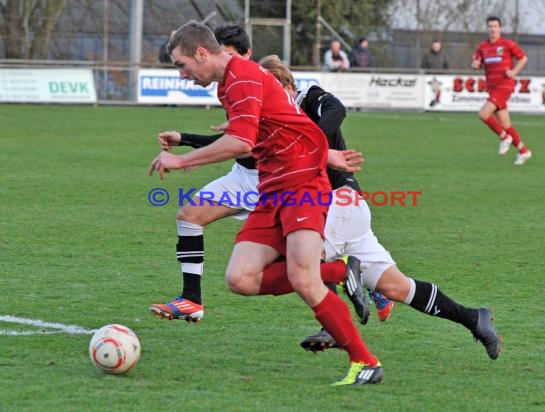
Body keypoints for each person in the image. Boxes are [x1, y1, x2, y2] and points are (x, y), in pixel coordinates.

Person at [148, 20, 383, 386]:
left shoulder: (240, 78)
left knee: (303, 280)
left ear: (201, 53)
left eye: (180, 64)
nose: (181, 75)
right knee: (240, 279)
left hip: (302, 185)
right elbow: (281, 121)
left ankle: (365, 362)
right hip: (274, 188)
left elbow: (242, 142)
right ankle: (338, 271)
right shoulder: (230, 83)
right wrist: (325, 152)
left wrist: (180, 160)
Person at [258, 55, 502, 361]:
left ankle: (340, 295)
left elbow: (338, 110)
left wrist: (313, 143)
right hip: (346, 213)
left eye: (270, 87)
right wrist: (188, 140)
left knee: (301, 259)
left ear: (287, 84)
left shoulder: (308, 99)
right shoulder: (274, 119)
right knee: (398, 288)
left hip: (340, 201)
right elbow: (240, 146)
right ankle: (473, 318)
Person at [472, 16, 532, 165]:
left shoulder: (507, 44)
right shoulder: (482, 47)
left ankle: (504, 137)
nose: (492, 29)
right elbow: (477, 62)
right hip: (492, 88)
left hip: (504, 85)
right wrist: (475, 63)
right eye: (490, 26)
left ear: (500, 28)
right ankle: (524, 151)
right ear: (487, 28)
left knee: (483, 114)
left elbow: (523, 58)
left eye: (495, 26)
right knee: (505, 123)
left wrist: (514, 71)